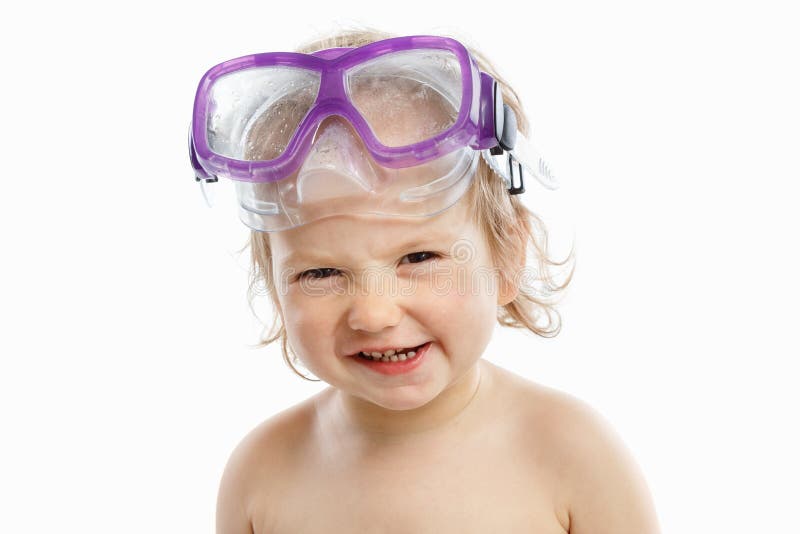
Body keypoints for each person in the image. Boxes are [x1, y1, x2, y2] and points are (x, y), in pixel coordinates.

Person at [189, 27, 662, 534]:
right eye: (321, 272)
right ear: (276, 288)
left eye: (418, 257)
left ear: (505, 256)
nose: (374, 313)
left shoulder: (573, 455)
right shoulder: (261, 475)